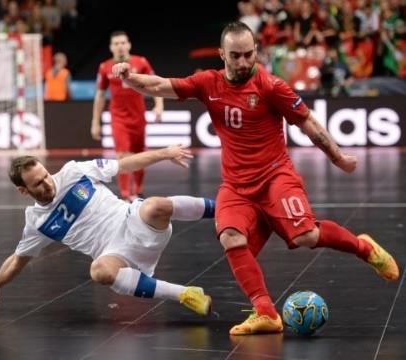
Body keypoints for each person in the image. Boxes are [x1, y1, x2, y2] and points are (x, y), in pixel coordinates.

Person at [111, 21, 400, 335]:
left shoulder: (271, 86)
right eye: (236, 56)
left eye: (249, 55)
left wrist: (339, 158)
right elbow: (158, 86)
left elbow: (309, 125)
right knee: (230, 237)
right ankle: (266, 313)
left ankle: (364, 248)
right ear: (222, 54)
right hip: (236, 186)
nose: (244, 63)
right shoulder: (208, 83)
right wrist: (130, 77)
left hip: (277, 177)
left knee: (306, 237)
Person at [0, 145, 215, 317]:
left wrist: (166, 153)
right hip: (119, 255)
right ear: (23, 191)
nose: (48, 183)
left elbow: (124, 165)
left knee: (155, 205)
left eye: (46, 175)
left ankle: (225, 211)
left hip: (135, 222)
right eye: (38, 183)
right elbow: (17, 260)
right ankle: (186, 294)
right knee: (100, 271)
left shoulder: (74, 172)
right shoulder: (37, 223)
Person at [91, 30, 164, 202]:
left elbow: (156, 84)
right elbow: (100, 96)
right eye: (116, 43)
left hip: (138, 117)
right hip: (118, 118)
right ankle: (125, 196)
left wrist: (159, 105)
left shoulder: (141, 62)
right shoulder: (104, 67)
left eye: (123, 42)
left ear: (129, 44)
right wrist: (95, 122)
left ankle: (138, 192)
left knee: (140, 155)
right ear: (111, 47)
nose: (120, 46)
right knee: (123, 155)